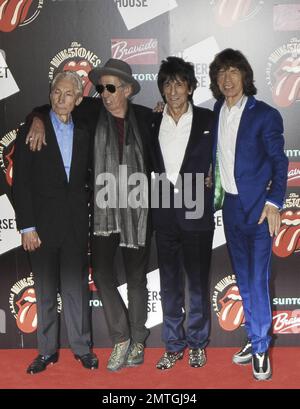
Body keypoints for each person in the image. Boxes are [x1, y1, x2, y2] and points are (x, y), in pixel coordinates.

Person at [24, 59, 152, 372]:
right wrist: (36, 119)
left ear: (127, 89)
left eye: (111, 87)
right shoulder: (86, 115)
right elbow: (52, 105)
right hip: (86, 216)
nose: (105, 94)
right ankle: (61, 348)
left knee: (116, 283)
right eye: (101, 88)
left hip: (128, 214)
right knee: (76, 283)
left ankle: (118, 342)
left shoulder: (146, 118)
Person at [209, 49, 288, 381]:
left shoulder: (265, 114)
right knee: (243, 280)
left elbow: (280, 163)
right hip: (230, 208)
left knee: (256, 280)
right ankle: (257, 337)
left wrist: (274, 202)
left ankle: (259, 350)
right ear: (216, 80)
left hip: (258, 211)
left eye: (233, 72)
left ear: (245, 76)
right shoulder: (216, 110)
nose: (227, 79)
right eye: (221, 73)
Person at [12, 71, 99, 374]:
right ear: (50, 95)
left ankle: (82, 348)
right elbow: (20, 182)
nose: (61, 99)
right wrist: (27, 227)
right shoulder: (33, 128)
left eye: (68, 94)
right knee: (46, 292)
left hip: (75, 225)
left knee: (76, 291)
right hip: (42, 228)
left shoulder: (85, 130)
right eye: (56, 93)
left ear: (78, 100)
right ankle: (47, 351)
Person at [149, 57, 215, 370]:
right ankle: (174, 345)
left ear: (190, 87)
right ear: (161, 89)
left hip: (196, 211)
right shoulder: (151, 121)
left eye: (179, 83)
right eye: (167, 84)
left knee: (198, 283)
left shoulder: (208, 119)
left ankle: (198, 343)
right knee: (169, 284)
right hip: (163, 213)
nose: (173, 90)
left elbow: (228, 150)